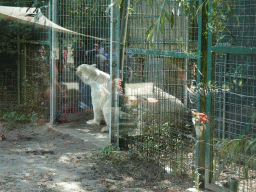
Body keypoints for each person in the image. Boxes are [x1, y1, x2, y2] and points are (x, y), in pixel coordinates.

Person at [73, 41, 92, 109]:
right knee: (79, 77)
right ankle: (81, 88)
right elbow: (76, 57)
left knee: (81, 78)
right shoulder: (78, 50)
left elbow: (84, 57)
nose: (82, 44)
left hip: (81, 65)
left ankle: (81, 88)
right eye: (81, 43)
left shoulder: (81, 50)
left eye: (82, 44)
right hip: (79, 65)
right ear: (79, 44)